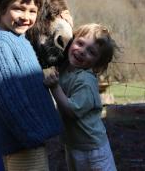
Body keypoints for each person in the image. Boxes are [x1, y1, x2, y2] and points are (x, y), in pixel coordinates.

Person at [0, 0, 62, 171]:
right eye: (18, 8)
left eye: (32, 11)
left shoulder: (20, 40)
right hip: (22, 142)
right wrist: (31, 134)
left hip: (31, 138)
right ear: (0, 8)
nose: (26, 16)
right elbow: (9, 98)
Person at [44, 23, 118, 171]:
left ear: (98, 63)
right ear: (72, 41)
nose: (82, 51)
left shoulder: (85, 81)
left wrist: (54, 87)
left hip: (93, 149)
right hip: (73, 145)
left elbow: (71, 111)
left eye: (91, 52)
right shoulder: (66, 69)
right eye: (80, 43)